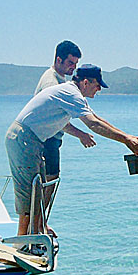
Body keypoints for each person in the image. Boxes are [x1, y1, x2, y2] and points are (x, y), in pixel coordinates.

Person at [6, 64, 138, 237]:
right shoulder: (70, 93)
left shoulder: (73, 94)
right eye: (97, 85)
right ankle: (24, 240)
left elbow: (96, 119)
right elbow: (93, 124)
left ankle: (33, 236)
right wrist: (125, 140)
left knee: (38, 190)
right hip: (24, 139)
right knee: (30, 192)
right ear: (86, 82)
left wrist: (127, 136)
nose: (99, 89)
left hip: (31, 140)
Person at [34, 41, 96, 232]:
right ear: (58, 59)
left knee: (50, 183)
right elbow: (60, 120)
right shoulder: (51, 81)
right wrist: (81, 135)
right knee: (46, 183)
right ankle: (37, 227)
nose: (73, 67)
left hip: (53, 139)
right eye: (70, 62)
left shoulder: (62, 80)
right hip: (46, 140)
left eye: (76, 63)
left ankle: (40, 224)